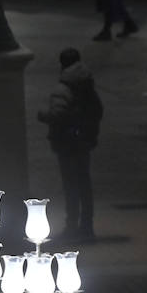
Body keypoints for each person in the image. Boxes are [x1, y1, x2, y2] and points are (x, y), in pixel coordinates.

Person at [37, 48, 103, 242]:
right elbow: (98, 110)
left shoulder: (63, 88)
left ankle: (71, 226)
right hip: (84, 140)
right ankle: (87, 226)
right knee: (84, 183)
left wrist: (43, 116)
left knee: (70, 185)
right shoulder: (87, 85)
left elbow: (58, 115)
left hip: (66, 142)